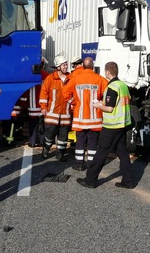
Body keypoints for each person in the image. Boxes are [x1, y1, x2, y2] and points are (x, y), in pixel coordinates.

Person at [77, 61, 135, 189]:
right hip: (122, 124)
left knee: (101, 153)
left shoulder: (112, 87)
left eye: (105, 71)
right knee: (122, 152)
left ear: (108, 72)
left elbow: (109, 108)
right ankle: (128, 180)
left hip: (112, 125)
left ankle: (90, 180)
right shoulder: (123, 85)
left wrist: (98, 105)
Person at [62, 57, 108, 171]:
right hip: (95, 118)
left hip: (80, 117)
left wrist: (74, 102)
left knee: (80, 141)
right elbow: (108, 95)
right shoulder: (100, 79)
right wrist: (101, 103)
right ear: (93, 66)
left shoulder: (75, 79)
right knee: (93, 141)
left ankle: (79, 164)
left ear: (83, 66)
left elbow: (64, 94)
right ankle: (91, 164)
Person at [39, 53, 71, 161]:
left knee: (63, 138)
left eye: (66, 64)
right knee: (49, 136)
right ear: (58, 67)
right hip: (52, 114)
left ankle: (60, 154)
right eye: (63, 65)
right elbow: (43, 94)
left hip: (65, 115)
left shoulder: (71, 78)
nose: (66, 66)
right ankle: (46, 149)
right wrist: (43, 108)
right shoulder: (50, 79)